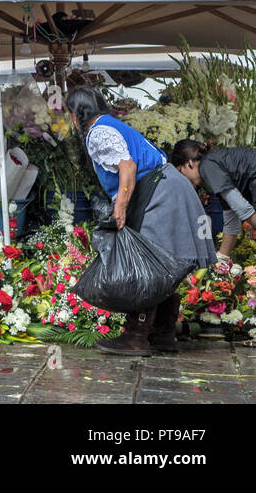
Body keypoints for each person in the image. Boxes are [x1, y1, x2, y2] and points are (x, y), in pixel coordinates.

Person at [66, 87, 214, 356]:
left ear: (77, 114)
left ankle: (136, 337)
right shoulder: (109, 125)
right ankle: (163, 335)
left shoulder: (98, 132)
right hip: (167, 188)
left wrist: (119, 210)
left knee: (150, 263)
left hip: (160, 193)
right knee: (163, 262)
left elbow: (128, 166)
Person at [171, 140, 256, 259]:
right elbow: (231, 222)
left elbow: (243, 208)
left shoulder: (207, 166)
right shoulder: (217, 170)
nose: (183, 180)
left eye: (180, 171)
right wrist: (222, 259)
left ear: (189, 163)